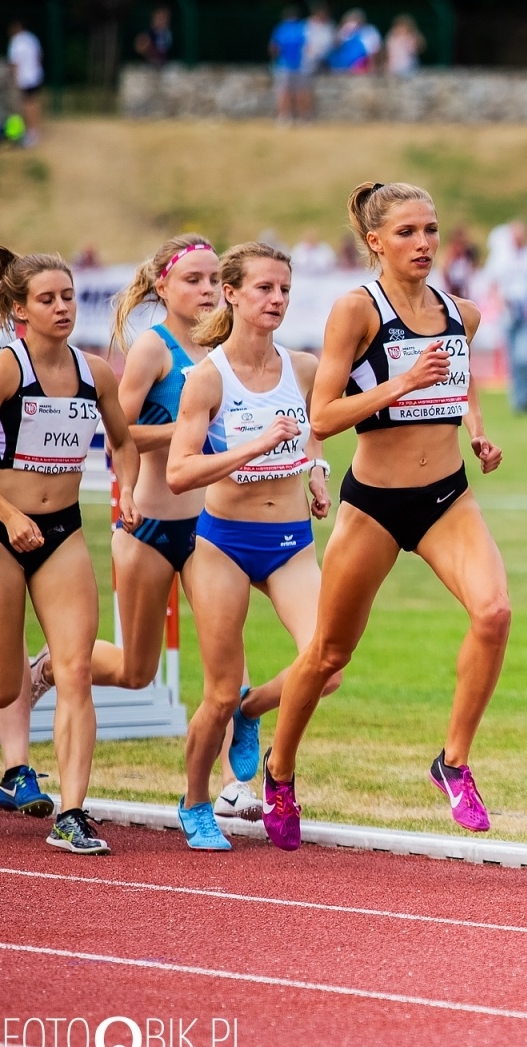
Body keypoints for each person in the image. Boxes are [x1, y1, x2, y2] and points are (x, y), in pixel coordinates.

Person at [263, 182, 507, 851]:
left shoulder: (462, 312)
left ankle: (453, 763)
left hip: (446, 498)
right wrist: (400, 384)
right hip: (374, 504)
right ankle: (279, 772)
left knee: (494, 614)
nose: (423, 243)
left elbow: (459, 373)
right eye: (406, 232)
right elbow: (322, 416)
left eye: (430, 229)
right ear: (375, 241)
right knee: (328, 653)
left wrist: (476, 426)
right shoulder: (355, 311)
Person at [79, 235, 263, 821]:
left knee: (226, 661)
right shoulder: (152, 351)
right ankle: (54, 666)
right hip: (149, 524)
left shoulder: (227, 350)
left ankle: (234, 752)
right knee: (137, 671)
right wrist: (191, 427)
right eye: (194, 280)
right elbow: (119, 432)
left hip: (210, 526)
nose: (207, 290)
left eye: (214, 280)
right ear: (163, 286)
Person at [162, 242, 338, 851]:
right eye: (264, 289)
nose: (277, 300)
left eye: (285, 289)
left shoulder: (305, 368)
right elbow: (180, 472)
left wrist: (316, 473)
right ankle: (195, 802)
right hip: (224, 544)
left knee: (329, 663)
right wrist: (251, 448)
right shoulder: (207, 378)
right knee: (214, 692)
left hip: (291, 542)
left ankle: (252, 709)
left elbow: (314, 435)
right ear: (232, 294)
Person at [0, 247, 142, 853]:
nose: (62, 308)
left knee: (75, 668)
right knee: (4, 688)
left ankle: (74, 813)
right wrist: (6, 512)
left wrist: (127, 490)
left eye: (68, 297)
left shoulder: (95, 372)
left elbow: (123, 442)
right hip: (2, 531)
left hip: (61, 533)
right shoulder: (8, 368)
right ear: (19, 310)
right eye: (48, 299)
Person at [483, 220, 527, 414]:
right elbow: (493, 284)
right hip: (507, 311)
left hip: (526, 310)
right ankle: (518, 401)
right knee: (511, 359)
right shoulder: (501, 257)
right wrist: (500, 305)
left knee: (525, 357)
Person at [269, 7, 311, 124]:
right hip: (295, 65)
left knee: (287, 92)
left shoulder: (282, 28)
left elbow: (273, 47)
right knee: (295, 92)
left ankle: (286, 117)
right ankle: (300, 117)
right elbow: (307, 47)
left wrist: (274, 61)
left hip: (286, 65)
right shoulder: (300, 28)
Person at [6, 21, 43, 147]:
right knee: (33, 102)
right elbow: (39, 56)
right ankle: (35, 130)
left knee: (26, 105)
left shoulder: (15, 42)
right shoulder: (31, 38)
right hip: (35, 76)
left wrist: (13, 79)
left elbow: (14, 63)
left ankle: (30, 133)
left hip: (23, 78)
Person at [303, 3, 337, 75]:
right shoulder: (308, 24)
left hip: (327, 57)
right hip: (311, 57)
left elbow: (334, 40)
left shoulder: (330, 25)